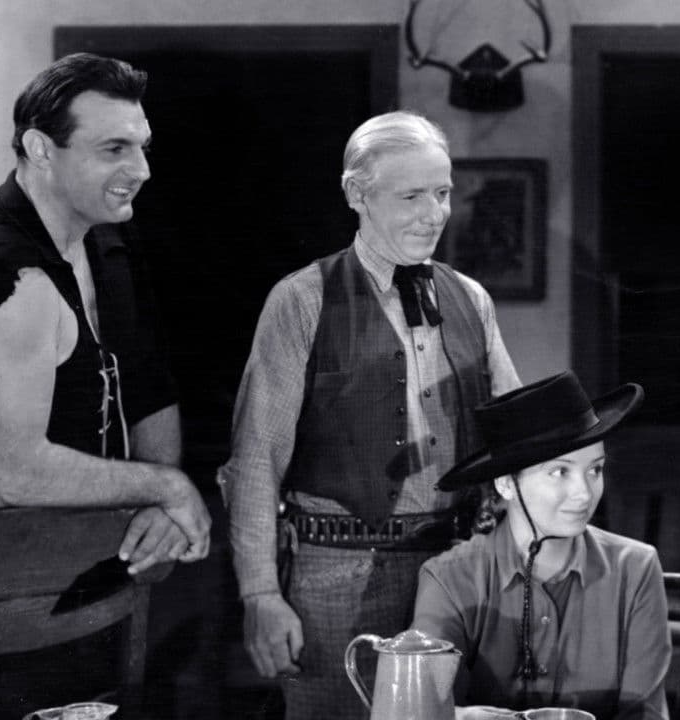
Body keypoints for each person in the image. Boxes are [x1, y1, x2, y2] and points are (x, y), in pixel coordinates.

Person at [219, 110, 521, 720]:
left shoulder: (471, 298)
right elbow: (255, 461)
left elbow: (516, 440)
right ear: (357, 195)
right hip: (335, 578)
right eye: (411, 196)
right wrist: (260, 593)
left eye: (442, 193)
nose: (434, 213)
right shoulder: (302, 299)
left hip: (454, 572)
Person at [0, 52, 210, 718]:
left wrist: (156, 510)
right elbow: (13, 474)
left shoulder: (106, 241)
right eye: (114, 149)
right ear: (41, 149)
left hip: (96, 594)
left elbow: (148, 386)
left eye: (142, 146)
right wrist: (166, 488)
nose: (141, 170)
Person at [411, 371, 670, 719]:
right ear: (506, 484)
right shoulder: (449, 579)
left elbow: (645, 714)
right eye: (560, 472)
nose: (584, 493)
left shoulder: (636, 569)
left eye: (595, 470)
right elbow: (425, 710)